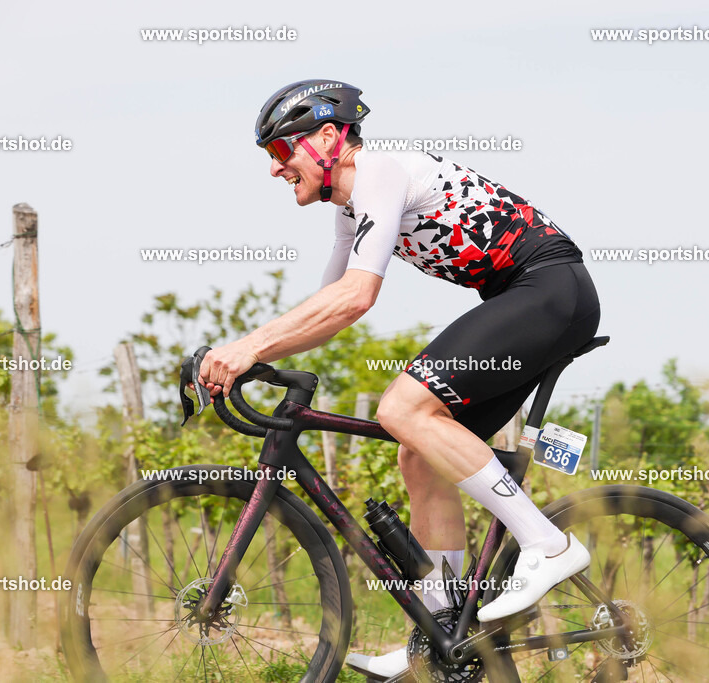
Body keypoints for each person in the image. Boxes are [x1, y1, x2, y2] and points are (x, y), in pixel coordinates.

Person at [198, 79, 601, 679]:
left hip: (549, 289)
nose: (276, 170)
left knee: (402, 408)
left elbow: (358, 297)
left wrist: (249, 346)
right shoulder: (348, 210)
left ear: (330, 139)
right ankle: (440, 636)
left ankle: (549, 545)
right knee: (419, 455)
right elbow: (329, 305)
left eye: (282, 152)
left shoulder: (380, 172)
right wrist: (254, 355)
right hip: (522, 297)